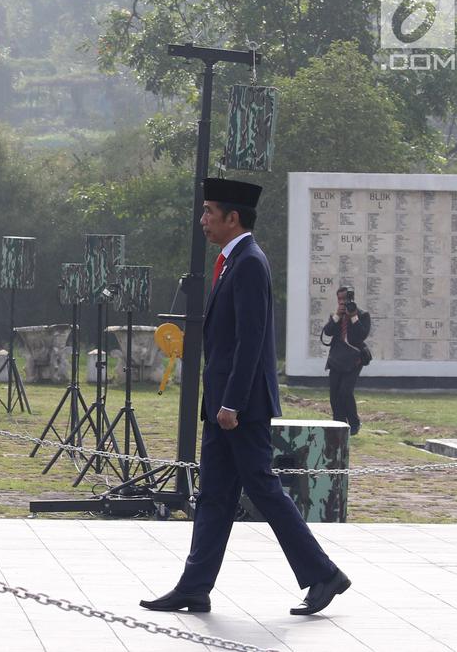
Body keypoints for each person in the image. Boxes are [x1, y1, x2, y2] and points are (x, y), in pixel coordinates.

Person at [140, 178, 350, 617]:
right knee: (214, 496)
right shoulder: (232, 262)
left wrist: (232, 403)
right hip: (222, 407)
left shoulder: (250, 262)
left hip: (240, 408)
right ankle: (194, 587)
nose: (202, 221)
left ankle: (323, 573)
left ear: (232, 218)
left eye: (208, 213)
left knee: (264, 489)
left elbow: (252, 342)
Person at [322, 286, 371, 435]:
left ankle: (354, 423)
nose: (343, 302)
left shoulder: (363, 315)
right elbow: (328, 332)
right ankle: (338, 423)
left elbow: (361, 336)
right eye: (340, 299)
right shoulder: (336, 316)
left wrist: (354, 317)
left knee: (345, 392)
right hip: (337, 359)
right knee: (334, 394)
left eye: (345, 299)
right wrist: (337, 316)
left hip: (354, 360)